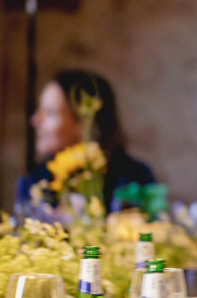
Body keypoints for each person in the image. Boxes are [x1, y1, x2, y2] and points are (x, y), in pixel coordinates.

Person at [25, 69, 154, 211]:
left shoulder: (131, 178)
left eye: (50, 113)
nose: (35, 120)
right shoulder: (39, 179)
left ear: (84, 121)